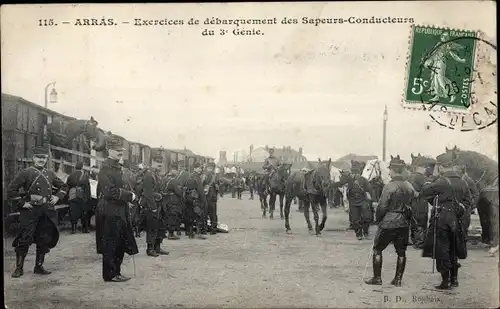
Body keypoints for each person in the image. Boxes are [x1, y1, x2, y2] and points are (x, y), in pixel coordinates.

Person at [7, 145, 68, 278]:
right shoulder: (26, 173)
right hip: (30, 212)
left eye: (43, 158)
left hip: (46, 211)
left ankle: (39, 266)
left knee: (44, 238)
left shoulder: (50, 174)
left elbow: (64, 186)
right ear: (34, 158)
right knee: (25, 238)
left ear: (46, 159)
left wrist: (58, 196)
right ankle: (19, 268)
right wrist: (23, 203)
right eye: (38, 157)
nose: (41, 160)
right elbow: (11, 190)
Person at [420, 151, 471, 290]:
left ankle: (445, 281)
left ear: (441, 167)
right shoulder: (462, 182)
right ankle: (454, 280)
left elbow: (424, 193)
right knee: (454, 248)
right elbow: (468, 202)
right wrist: (460, 209)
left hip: (442, 219)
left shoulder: (440, 181)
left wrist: (432, 179)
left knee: (442, 249)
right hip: (457, 220)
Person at [365, 155, 416, 287]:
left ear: (394, 171)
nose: (389, 172)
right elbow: (412, 204)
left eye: (390, 170)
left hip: (388, 222)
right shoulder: (409, 186)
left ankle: (377, 278)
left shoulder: (389, 186)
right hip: (403, 223)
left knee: (377, 249)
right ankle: (398, 280)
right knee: (401, 252)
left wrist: (378, 219)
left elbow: (382, 207)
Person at [95, 146, 139, 282]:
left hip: (120, 209)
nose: (120, 153)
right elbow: (110, 192)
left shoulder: (117, 168)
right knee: (110, 242)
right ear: (109, 151)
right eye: (116, 150)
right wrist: (130, 196)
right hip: (109, 210)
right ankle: (110, 274)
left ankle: (117, 271)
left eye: (121, 151)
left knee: (120, 241)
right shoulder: (105, 169)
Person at [336, 161, 375, 240]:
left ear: (359, 172)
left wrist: (373, 200)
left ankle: (365, 232)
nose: (355, 173)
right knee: (355, 220)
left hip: (363, 201)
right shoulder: (349, 179)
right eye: (353, 171)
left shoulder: (364, 180)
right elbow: (340, 183)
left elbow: (370, 190)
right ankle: (358, 233)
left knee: (367, 218)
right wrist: (329, 184)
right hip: (353, 201)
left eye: (356, 171)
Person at [140, 165, 168, 257]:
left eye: (160, 163)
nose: (159, 165)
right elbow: (148, 193)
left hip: (159, 204)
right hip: (152, 205)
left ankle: (157, 247)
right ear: (152, 162)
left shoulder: (156, 175)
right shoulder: (149, 175)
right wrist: (153, 207)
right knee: (152, 227)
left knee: (160, 226)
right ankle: (150, 249)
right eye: (157, 162)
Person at [408, 158, 434, 248]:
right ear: (422, 167)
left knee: (414, 221)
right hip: (420, 202)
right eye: (425, 168)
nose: (426, 170)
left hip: (412, 202)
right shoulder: (421, 177)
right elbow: (428, 189)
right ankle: (420, 242)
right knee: (421, 221)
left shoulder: (411, 176)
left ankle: (415, 240)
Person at [184, 162, 208, 239]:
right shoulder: (197, 177)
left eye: (200, 168)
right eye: (198, 168)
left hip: (188, 198)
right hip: (195, 199)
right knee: (198, 215)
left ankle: (190, 233)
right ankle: (198, 233)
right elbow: (200, 190)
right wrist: (204, 200)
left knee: (190, 216)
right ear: (194, 168)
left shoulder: (189, 176)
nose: (200, 169)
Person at [66, 161, 92, 234]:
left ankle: (73, 229)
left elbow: (67, 186)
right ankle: (85, 229)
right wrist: (88, 197)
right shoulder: (85, 175)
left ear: (75, 167)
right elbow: (87, 187)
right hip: (82, 196)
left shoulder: (70, 175)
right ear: (82, 167)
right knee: (84, 212)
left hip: (72, 196)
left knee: (73, 212)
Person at [161, 163, 183, 240]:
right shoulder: (174, 180)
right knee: (172, 216)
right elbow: (179, 192)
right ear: (174, 170)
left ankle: (163, 232)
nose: (177, 173)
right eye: (176, 171)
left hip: (165, 199)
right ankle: (171, 234)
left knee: (165, 216)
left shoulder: (164, 178)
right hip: (172, 200)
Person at [202, 162, 220, 235]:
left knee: (205, 214)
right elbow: (218, 187)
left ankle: (205, 229)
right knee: (213, 214)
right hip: (213, 198)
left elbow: (201, 184)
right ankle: (213, 229)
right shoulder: (216, 176)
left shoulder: (205, 175)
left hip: (206, 197)